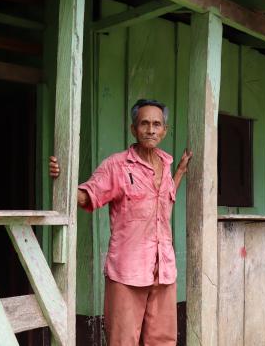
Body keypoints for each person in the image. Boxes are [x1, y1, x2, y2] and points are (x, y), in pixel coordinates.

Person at [49, 99, 192, 346]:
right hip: (128, 271)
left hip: (164, 270)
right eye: (144, 123)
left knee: (164, 341)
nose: (150, 129)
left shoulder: (166, 164)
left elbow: (164, 201)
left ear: (164, 131)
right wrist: (64, 181)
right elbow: (88, 196)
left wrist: (179, 171)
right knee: (122, 341)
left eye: (157, 124)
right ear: (133, 129)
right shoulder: (117, 166)